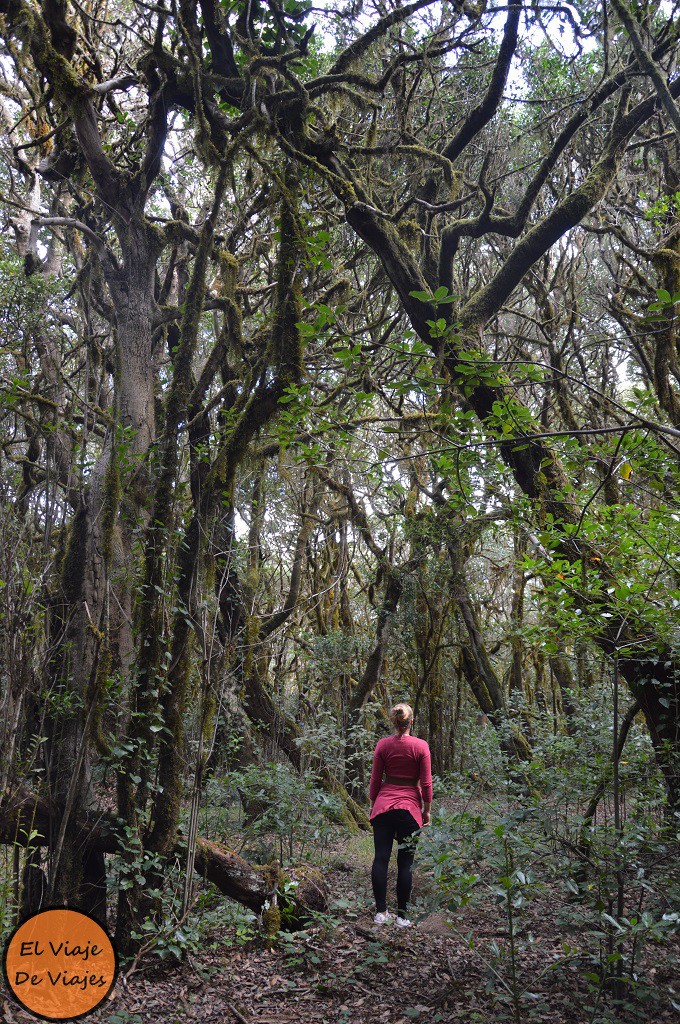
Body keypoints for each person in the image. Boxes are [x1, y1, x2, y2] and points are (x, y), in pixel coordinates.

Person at [368, 702, 433, 928]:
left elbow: (375, 780)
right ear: (411, 721)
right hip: (409, 810)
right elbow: (426, 783)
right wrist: (427, 810)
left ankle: (380, 913)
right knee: (405, 864)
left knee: (381, 858)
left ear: (393, 721)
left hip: (384, 808)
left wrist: (373, 804)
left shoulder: (383, 745)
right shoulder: (421, 746)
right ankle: (402, 917)